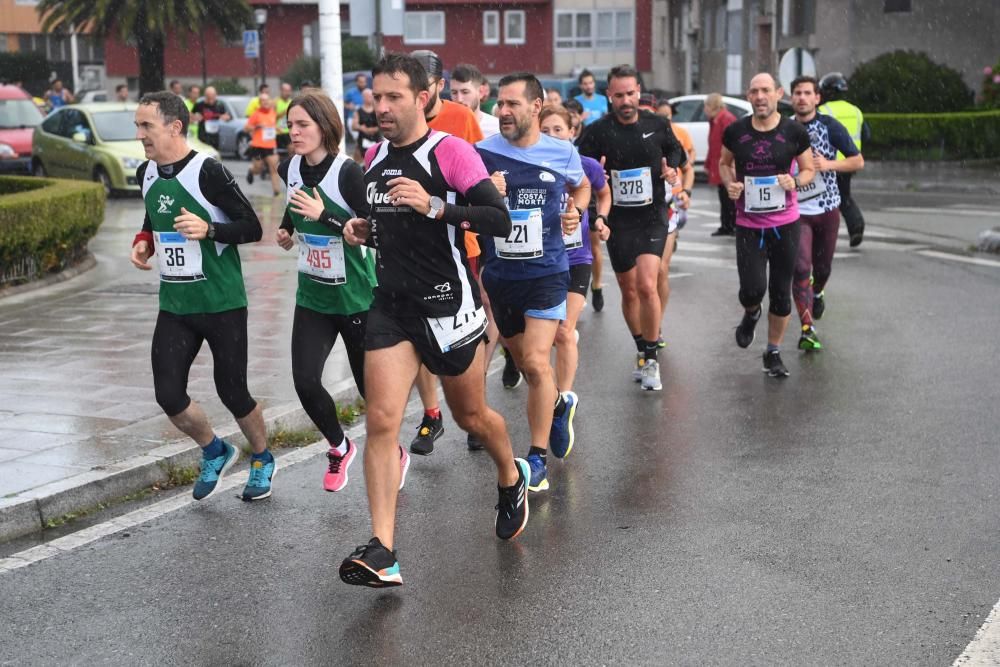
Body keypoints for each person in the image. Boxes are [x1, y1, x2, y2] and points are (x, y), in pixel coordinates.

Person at [338, 53, 529, 587]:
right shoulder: (372, 157)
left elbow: (498, 219)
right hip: (392, 308)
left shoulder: (452, 153)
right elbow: (385, 225)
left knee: (472, 417)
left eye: (393, 97)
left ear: (423, 98)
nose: (381, 107)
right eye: (376, 97)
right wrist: (361, 229)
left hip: (448, 306)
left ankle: (510, 475)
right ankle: (383, 551)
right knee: (380, 420)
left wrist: (438, 207)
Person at [129, 91, 272, 502]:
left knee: (233, 392)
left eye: (146, 126)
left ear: (175, 127)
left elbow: (252, 227)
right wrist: (144, 242)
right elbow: (152, 215)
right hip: (175, 306)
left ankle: (261, 457)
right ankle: (215, 449)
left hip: (221, 302)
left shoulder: (207, 171)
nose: (140, 135)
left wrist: (209, 229)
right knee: (168, 394)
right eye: (138, 126)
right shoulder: (147, 173)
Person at [477, 74, 590, 492]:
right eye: (499, 104)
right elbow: (464, 204)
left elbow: (582, 187)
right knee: (525, 364)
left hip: (548, 271)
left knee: (539, 362)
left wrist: (575, 211)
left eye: (512, 104)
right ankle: (559, 404)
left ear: (536, 107)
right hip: (502, 274)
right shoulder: (483, 152)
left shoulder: (562, 151)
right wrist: (488, 191)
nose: (503, 111)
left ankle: (537, 458)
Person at [275, 91, 377, 492]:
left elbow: (369, 233)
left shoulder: (349, 174)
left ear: (325, 126)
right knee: (304, 380)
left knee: (371, 393)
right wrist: (287, 228)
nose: (294, 132)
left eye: (303, 125)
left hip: (355, 298)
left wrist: (327, 217)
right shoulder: (290, 168)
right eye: (291, 125)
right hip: (312, 296)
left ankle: (393, 454)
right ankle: (339, 446)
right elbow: (294, 203)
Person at [577, 65, 686, 392]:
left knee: (648, 283)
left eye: (630, 93)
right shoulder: (598, 131)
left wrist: (672, 170)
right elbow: (582, 171)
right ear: (609, 95)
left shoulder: (657, 123)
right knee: (628, 290)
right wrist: (598, 194)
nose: (625, 100)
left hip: (653, 215)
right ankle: (641, 347)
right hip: (620, 220)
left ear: (639, 92)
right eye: (618, 95)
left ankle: (651, 358)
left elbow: (675, 151)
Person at [406, 49, 487, 455]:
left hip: (459, 243)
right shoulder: (397, 122)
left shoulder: (461, 119)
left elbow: (482, 180)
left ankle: (474, 408)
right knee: (417, 332)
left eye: (424, 82)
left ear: (438, 85)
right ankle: (431, 414)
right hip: (411, 247)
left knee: (464, 332)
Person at [719, 73, 815, 378]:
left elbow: (810, 168)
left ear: (778, 94)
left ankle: (773, 352)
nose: (760, 96)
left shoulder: (794, 131)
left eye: (766, 91)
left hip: (786, 223)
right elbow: (724, 163)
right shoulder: (736, 131)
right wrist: (729, 184)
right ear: (748, 96)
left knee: (780, 292)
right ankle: (751, 312)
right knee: (752, 289)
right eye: (754, 91)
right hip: (748, 223)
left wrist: (795, 180)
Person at [540, 105, 611, 403]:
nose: (552, 136)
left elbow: (604, 193)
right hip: (540, 261)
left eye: (558, 129)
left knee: (564, 332)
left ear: (573, 132)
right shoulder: (531, 166)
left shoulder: (587, 165)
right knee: (537, 340)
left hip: (576, 258)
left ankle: (564, 398)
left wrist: (601, 218)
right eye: (545, 131)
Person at [789, 75, 864, 351]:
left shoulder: (830, 126)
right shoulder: (785, 128)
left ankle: (818, 291)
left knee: (822, 268)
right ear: (792, 97)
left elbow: (858, 160)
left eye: (807, 93)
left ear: (817, 98)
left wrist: (828, 164)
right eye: (797, 93)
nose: (802, 98)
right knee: (800, 267)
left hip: (827, 207)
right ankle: (807, 328)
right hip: (796, 211)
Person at [654, 101, 696, 348]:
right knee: (640, 280)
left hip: (667, 208)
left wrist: (686, 191)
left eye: (666, 117)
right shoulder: (629, 137)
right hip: (634, 217)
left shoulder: (674, 137)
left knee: (660, 270)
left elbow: (688, 167)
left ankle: (656, 324)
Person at [819, 72, 867, 247]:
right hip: (850, 162)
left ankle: (855, 226)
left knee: (828, 198)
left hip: (828, 164)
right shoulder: (856, 111)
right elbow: (866, 135)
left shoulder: (823, 111)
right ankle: (855, 227)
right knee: (843, 196)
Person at [704, 93, 738, 236]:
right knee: (723, 197)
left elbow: (733, 145)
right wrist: (708, 163)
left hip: (726, 164)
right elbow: (713, 145)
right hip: (719, 162)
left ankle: (732, 225)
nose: (704, 109)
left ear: (712, 106)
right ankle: (726, 225)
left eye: (705, 106)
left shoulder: (726, 119)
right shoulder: (715, 120)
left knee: (729, 197)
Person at [244, 92, 281, 196]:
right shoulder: (256, 114)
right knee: (258, 169)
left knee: (274, 169)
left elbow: (272, 125)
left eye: (267, 100)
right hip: (258, 146)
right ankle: (251, 170)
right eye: (263, 101)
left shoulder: (273, 113)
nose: (265, 102)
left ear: (270, 101)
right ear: (260, 103)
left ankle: (276, 192)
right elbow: (246, 128)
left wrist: (276, 128)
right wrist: (256, 127)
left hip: (270, 146)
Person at [450, 63, 500, 138]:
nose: (459, 99)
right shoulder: (442, 129)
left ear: (481, 92)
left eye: (465, 92)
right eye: (454, 93)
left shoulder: (497, 130)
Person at [351, 89, 380, 162]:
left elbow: (382, 124)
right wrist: (362, 128)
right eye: (368, 96)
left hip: (376, 139)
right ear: (363, 97)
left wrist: (374, 129)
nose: (371, 98)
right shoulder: (358, 111)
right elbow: (353, 126)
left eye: (371, 96)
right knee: (360, 160)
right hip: (363, 140)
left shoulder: (377, 110)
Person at [275, 82, 294, 154]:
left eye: (289, 91)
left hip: (289, 130)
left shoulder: (291, 102)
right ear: (281, 91)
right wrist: (284, 112)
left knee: (293, 148)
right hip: (279, 131)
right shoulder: (275, 102)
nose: (288, 93)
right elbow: (271, 118)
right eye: (285, 91)